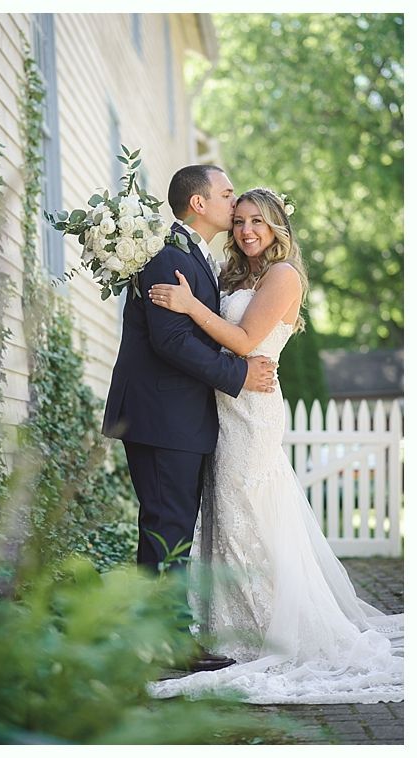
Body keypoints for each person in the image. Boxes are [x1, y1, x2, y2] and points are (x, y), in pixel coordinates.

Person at [146, 187, 403, 703]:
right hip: (222, 404)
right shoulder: (238, 274)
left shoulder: (284, 276)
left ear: (278, 226)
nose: (245, 231)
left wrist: (190, 305)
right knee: (225, 516)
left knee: (249, 515)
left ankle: (270, 632)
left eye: (257, 222)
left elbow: (241, 342)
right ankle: (228, 625)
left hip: (252, 408)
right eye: (239, 220)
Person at [102, 165, 276, 672]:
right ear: (198, 204)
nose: (233, 201)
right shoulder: (166, 257)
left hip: (178, 418)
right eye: (225, 194)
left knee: (170, 527)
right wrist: (237, 374)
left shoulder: (191, 256)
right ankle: (164, 645)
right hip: (161, 417)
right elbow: (172, 340)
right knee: (167, 528)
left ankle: (158, 638)